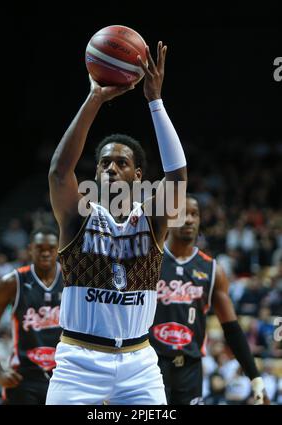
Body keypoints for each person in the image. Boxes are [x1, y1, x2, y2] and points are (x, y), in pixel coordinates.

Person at [46, 40, 187, 405]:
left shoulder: (152, 221)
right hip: (78, 362)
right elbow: (60, 172)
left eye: (121, 163)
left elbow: (178, 175)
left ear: (138, 176)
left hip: (139, 365)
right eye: (104, 163)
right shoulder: (79, 218)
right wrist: (95, 99)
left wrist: (154, 101)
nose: (110, 168)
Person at [149, 194, 270, 405]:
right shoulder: (149, 261)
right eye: (181, 213)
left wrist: (256, 379)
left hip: (190, 369)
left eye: (194, 214)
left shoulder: (212, 270)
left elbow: (232, 328)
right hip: (150, 366)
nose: (188, 219)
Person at [0, 227, 63, 405]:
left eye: (51, 248)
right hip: (24, 377)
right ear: (30, 249)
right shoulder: (12, 282)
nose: (45, 253)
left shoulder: (72, 280)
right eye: (40, 248)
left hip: (65, 375)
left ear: (59, 249)